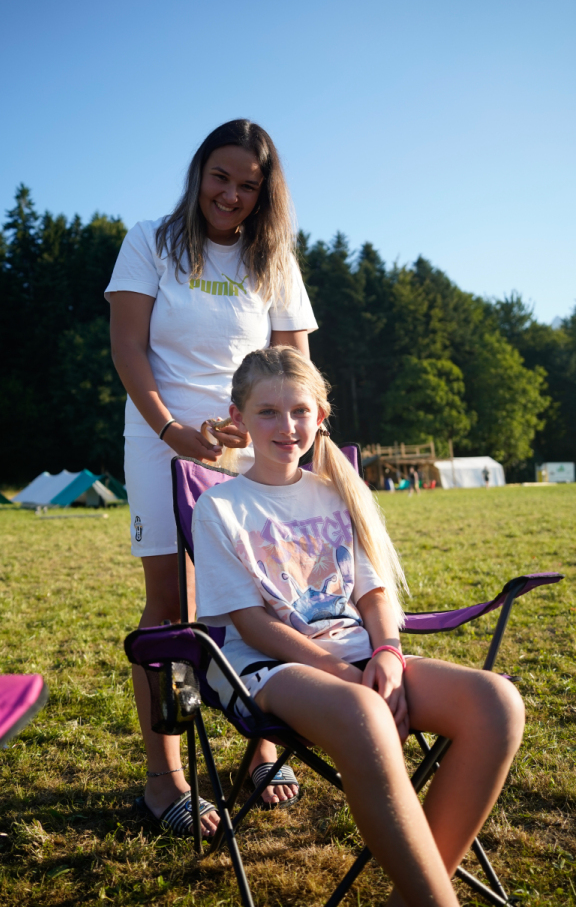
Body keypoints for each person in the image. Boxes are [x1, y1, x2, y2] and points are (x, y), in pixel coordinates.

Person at [192, 347, 524, 907]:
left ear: (320, 416)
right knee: (365, 711)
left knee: (496, 703)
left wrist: (388, 653)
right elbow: (251, 623)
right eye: (267, 411)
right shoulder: (221, 507)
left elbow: (373, 594)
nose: (286, 426)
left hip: (359, 653)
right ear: (238, 417)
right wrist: (345, 673)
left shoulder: (339, 492)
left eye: (300, 411)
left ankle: (415, 897)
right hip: (267, 665)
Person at [106, 120, 316, 837]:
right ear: (198, 173)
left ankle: (264, 748)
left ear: (264, 194)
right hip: (161, 441)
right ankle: (164, 779)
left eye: (247, 185)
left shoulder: (273, 260)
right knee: (173, 610)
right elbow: (128, 347)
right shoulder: (150, 241)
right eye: (219, 177)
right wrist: (173, 430)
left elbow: (292, 366)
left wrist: (268, 433)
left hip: (250, 448)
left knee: (271, 598)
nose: (230, 195)